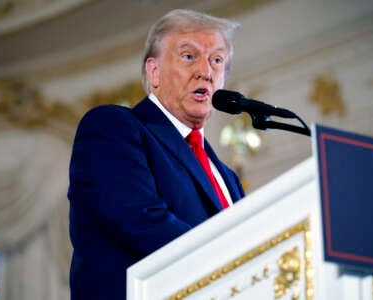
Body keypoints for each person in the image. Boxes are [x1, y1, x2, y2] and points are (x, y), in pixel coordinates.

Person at [67, 9, 245, 299]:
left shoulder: (227, 178)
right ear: (154, 72)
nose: (206, 71)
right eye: (189, 56)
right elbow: (140, 220)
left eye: (217, 60)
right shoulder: (113, 127)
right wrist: (234, 262)